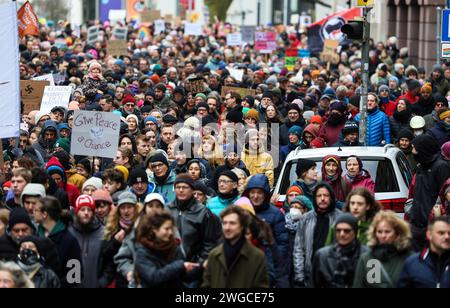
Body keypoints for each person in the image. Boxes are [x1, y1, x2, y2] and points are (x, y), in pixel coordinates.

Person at [166, 174, 220, 286]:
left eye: (185, 187)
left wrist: (198, 265)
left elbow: (209, 243)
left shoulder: (203, 213)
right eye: (178, 187)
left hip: (193, 270)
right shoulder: (167, 209)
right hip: (169, 268)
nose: (181, 190)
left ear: (192, 190)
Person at [202, 206, 269, 288]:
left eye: (232, 223)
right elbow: (207, 284)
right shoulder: (214, 255)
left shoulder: (257, 256)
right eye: (224, 223)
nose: (227, 228)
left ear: (242, 226)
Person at [293, 182, 342, 287]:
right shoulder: (305, 219)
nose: (322, 199)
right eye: (319, 196)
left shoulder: (340, 218)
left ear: (331, 198)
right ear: (314, 198)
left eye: (326, 195)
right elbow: (299, 249)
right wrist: (299, 276)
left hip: (333, 275)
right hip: (310, 274)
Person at [135, 209, 199, 288]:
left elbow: (183, 276)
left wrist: (200, 268)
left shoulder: (174, 248)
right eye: (166, 229)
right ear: (155, 230)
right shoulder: (143, 252)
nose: (171, 232)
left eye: (171, 228)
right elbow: (153, 278)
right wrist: (179, 265)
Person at [409, 134, 450, 251]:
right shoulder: (421, 166)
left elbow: (445, 196)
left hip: (432, 225)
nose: (413, 151)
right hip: (416, 224)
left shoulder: (441, 167)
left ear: (423, 149)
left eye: (414, 148)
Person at [353, 211, 413, 288]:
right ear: (374, 233)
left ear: (398, 233)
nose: (383, 236)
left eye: (387, 232)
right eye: (379, 232)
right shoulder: (366, 258)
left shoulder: (410, 259)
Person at [34, 196, 81, 287]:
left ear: (45, 214)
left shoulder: (69, 240)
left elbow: (75, 276)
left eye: (36, 210)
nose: (33, 212)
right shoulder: (35, 236)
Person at [312, 213, 368, 288]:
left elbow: (376, 285)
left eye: (346, 231)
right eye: (338, 230)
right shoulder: (321, 255)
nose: (342, 234)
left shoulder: (369, 255)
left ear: (355, 232)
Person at [98, 192, 141, 288]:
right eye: (123, 207)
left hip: (138, 275)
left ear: (135, 208)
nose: (126, 211)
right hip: (116, 278)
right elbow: (103, 253)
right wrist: (115, 242)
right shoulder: (112, 228)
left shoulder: (142, 226)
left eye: (129, 207)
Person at [398, 216, 450, 288]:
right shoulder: (412, 263)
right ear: (429, 235)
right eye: (441, 233)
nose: (447, 237)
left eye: (449, 233)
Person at [69, 195, 104, 288]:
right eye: (82, 209)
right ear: (76, 212)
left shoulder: (103, 234)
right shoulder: (69, 233)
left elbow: (109, 262)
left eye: (89, 210)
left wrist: (102, 283)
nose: (86, 213)